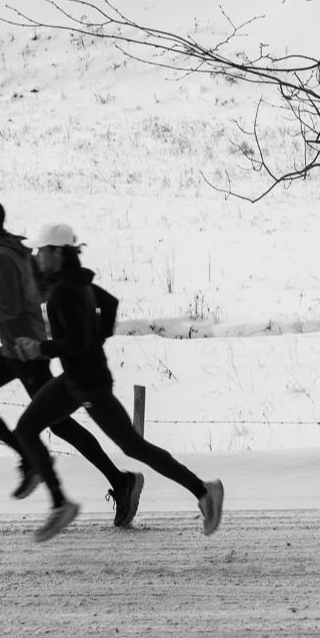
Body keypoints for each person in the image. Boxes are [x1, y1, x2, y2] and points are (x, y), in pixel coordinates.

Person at [13, 221, 224, 542]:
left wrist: (39, 347)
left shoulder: (64, 291)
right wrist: (99, 335)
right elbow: (108, 305)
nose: (37, 256)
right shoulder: (76, 283)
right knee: (27, 428)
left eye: (41, 251)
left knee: (132, 446)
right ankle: (59, 503)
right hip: (75, 381)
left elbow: (77, 342)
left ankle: (203, 490)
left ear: (56, 253)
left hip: (88, 385)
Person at [0, 197, 139, 508]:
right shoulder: (15, 249)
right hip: (16, 348)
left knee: (57, 423)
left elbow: (9, 307)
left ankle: (118, 481)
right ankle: (42, 462)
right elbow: (37, 290)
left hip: (24, 351)